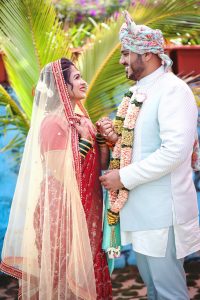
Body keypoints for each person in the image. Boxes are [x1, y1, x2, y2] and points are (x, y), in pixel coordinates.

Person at [98, 11, 200, 300]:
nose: (121, 60)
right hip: (141, 211)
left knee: (169, 292)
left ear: (148, 53)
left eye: (126, 53)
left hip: (162, 213)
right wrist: (113, 140)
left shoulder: (172, 91)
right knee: (154, 291)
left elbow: (175, 152)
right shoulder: (141, 91)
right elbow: (140, 144)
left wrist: (123, 176)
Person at [0, 58, 112, 300]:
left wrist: (100, 138)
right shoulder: (52, 122)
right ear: (62, 85)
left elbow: (101, 164)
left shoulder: (82, 120)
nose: (84, 82)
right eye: (76, 78)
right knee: (62, 274)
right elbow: (60, 172)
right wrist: (83, 141)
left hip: (87, 205)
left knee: (86, 270)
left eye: (81, 76)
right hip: (60, 210)